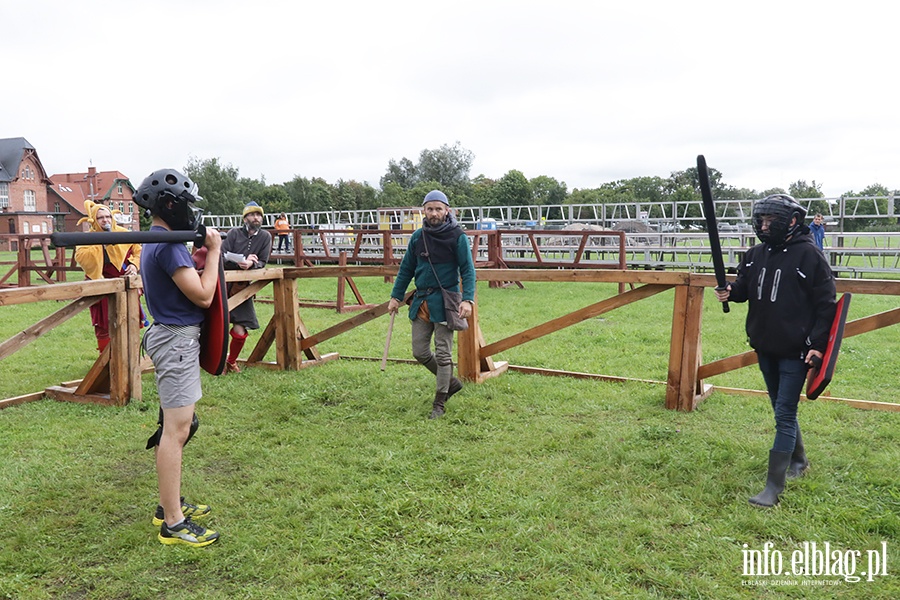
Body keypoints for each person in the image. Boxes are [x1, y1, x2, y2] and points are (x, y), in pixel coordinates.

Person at [715, 194, 836, 508]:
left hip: (796, 350)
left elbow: (826, 308)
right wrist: (730, 290)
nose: (765, 226)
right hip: (764, 345)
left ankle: (773, 488)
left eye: (772, 221)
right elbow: (744, 288)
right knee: (779, 408)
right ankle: (800, 461)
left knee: (784, 414)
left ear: (792, 221)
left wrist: (818, 347)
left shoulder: (810, 256)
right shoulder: (756, 254)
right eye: (762, 220)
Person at [135, 168, 221, 546]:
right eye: (186, 204)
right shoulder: (167, 245)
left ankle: (168, 504)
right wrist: (215, 252)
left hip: (173, 338)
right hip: (175, 341)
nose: (191, 212)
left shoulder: (158, 241)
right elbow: (203, 295)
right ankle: (172, 522)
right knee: (177, 430)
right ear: (169, 205)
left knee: (183, 425)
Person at [388, 190, 476, 419]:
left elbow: (467, 269)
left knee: (444, 354)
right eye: (430, 209)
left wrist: (468, 299)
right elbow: (406, 268)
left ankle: (439, 402)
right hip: (421, 302)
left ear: (447, 210)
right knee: (419, 351)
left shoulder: (458, 236)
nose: (434, 213)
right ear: (423, 211)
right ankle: (451, 383)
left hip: (446, 302)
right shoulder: (418, 237)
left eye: (439, 208)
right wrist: (396, 297)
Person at [74, 201, 144, 352]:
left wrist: (133, 265)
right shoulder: (86, 239)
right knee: (103, 324)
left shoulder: (123, 234)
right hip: (101, 284)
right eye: (100, 218)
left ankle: (131, 354)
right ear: (93, 219)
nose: (105, 220)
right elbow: (82, 258)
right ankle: (106, 361)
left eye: (108, 217)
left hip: (124, 284)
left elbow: (138, 251)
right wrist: (101, 244)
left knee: (130, 319)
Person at [221, 201, 272, 373]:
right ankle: (217, 362)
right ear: (245, 218)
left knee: (240, 327)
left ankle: (231, 361)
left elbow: (263, 262)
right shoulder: (233, 234)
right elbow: (221, 256)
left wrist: (251, 263)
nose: (256, 217)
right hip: (224, 284)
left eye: (258, 215)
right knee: (218, 325)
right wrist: (240, 259)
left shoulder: (265, 237)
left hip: (243, 287)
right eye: (252, 214)